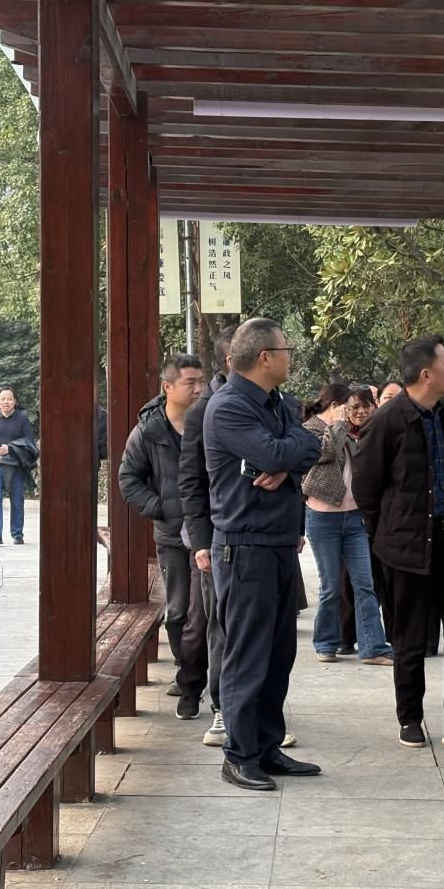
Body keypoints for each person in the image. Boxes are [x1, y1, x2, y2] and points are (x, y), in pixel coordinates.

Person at [352, 335, 444, 757]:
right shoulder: (387, 421)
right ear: (427, 373)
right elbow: (366, 490)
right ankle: (410, 719)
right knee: (411, 639)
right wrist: (389, 535)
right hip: (408, 546)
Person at [203, 318, 322, 791]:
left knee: (278, 653)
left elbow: (311, 445)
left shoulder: (276, 402)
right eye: (286, 349)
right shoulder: (229, 406)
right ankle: (239, 754)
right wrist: (283, 456)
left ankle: (267, 746)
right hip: (245, 545)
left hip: (278, 542)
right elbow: (279, 452)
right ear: (266, 357)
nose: (291, 357)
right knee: (248, 654)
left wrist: (285, 464)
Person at [118, 353, 206, 719]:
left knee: (205, 614)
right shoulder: (149, 431)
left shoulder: (212, 421)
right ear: (167, 387)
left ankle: (195, 683)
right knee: (178, 611)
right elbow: (128, 479)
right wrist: (162, 507)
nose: (199, 389)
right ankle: (187, 672)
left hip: (208, 532)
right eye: (190, 383)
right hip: (171, 534)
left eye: (201, 381)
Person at [302, 383, 393, 666]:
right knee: (330, 586)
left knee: (365, 584)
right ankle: (325, 643)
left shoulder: (358, 431)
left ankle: (373, 647)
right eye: (349, 407)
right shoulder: (311, 428)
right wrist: (339, 425)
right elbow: (326, 453)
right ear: (335, 406)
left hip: (354, 518)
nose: (354, 412)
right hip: (322, 518)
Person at [180, 324, 236, 747]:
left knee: (259, 629)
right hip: (217, 538)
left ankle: (253, 711)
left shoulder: (272, 403)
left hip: (258, 535)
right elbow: (191, 481)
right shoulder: (205, 409)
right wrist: (200, 541)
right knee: (219, 623)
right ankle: (221, 709)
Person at [0, 386, 36, 545]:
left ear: (15, 401)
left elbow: (29, 442)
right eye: (3, 399)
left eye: (9, 399)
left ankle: (17, 533)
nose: (6, 402)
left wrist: (10, 448)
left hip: (15, 466)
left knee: (17, 500)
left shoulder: (22, 419)